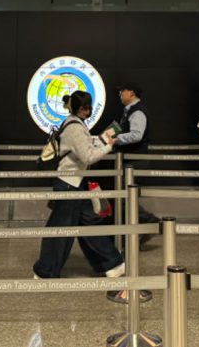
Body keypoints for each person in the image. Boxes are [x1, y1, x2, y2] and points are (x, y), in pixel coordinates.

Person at [33, 91, 125, 279]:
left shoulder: (72, 123)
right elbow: (88, 156)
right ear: (80, 108)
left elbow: (84, 147)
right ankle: (46, 271)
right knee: (60, 230)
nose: (88, 111)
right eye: (86, 107)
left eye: (88, 107)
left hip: (73, 182)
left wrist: (100, 140)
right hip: (69, 183)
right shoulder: (75, 128)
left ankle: (112, 264)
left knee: (89, 224)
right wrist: (109, 146)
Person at [109, 83, 160, 247]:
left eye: (122, 91)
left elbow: (137, 135)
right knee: (125, 197)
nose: (120, 94)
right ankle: (135, 232)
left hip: (135, 161)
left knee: (125, 198)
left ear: (131, 93)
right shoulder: (129, 111)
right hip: (130, 161)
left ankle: (150, 222)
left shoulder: (137, 111)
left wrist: (115, 139)